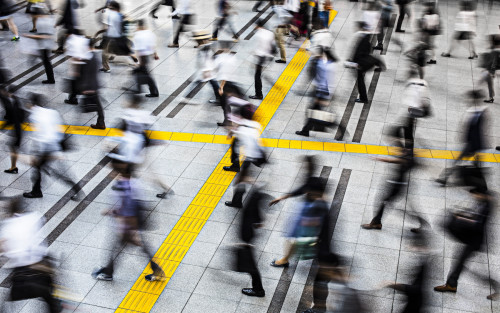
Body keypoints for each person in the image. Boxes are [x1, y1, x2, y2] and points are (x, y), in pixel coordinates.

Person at [434, 189, 499, 300]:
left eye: (476, 194)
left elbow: (477, 225)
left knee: (476, 270)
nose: (474, 197)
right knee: (460, 263)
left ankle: (498, 288)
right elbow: (474, 217)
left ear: (482, 195)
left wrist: (461, 219)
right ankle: (451, 284)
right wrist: (463, 215)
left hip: (475, 242)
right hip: (471, 240)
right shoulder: (483, 203)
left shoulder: (486, 207)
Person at [0, 197, 62, 313]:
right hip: (43, 268)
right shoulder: (34, 217)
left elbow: (3, 248)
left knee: (9, 302)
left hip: (23, 274)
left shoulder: (7, 227)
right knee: (49, 298)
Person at [22, 93, 83, 199]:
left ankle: (76, 189)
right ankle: (37, 190)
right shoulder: (52, 112)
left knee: (55, 171)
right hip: (55, 145)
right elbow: (60, 129)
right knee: (43, 169)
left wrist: (39, 153)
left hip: (47, 148)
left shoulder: (34, 116)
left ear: (31, 103)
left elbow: (40, 135)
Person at [270, 177, 328, 267]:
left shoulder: (319, 205)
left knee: (294, 242)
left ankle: (285, 260)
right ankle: (285, 259)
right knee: (293, 241)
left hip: (305, 227)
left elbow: (320, 222)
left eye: (309, 191)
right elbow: (299, 191)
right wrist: (281, 198)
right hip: (303, 223)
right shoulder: (314, 197)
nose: (306, 192)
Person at [436, 90, 488, 186]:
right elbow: (482, 128)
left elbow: (467, 128)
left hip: (471, 144)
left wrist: (463, 138)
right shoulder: (482, 111)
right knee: (477, 164)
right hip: (478, 143)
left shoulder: (472, 112)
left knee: (458, 160)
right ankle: (481, 185)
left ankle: (444, 178)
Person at [224, 104, 266, 208]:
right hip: (260, 154)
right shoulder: (256, 124)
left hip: (250, 156)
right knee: (241, 179)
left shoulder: (242, 129)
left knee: (240, 180)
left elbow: (230, 136)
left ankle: (256, 185)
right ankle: (237, 200)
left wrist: (231, 129)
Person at [296, 46, 338, 137]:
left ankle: (339, 128)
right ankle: (308, 130)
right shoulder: (330, 64)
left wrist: (323, 97)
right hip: (324, 91)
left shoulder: (326, 66)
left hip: (323, 92)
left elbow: (325, 81)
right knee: (314, 111)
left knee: (312, 111)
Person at [235, 185, 266, 297]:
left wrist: (245, 242)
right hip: (248, 238)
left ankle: (258, 290)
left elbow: (255, 220)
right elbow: (258, 220)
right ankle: (258, 289)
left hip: (247, 238)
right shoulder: (255, 203)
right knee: (251, 266)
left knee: (252, 267)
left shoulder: (252, 204)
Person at [349, 21, 385, 104]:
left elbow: (360, 53)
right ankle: (363, 97)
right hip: (362, 62)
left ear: (361, 28)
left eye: (357, 28)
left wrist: (355, 62)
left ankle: (363, 98)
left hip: (361, 63)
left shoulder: (363, 38)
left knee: (360, 80)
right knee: (360, 79)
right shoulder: (365, 37)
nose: (356, 29)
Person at [100, 1, 137, 73]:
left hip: (116, 39)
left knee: (105, 52)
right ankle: (136, 62)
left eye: (111, 7)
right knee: (125, 51)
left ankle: (106, 68)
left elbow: (108, 28)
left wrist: (100, 33)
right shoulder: (121, 15)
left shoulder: (113, 16)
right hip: (122, 38)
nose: (109, 8)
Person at [22, 4, 55, 84]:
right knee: (46, 62)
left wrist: (30, 36)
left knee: (46, 62)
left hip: (44, 45)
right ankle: (51, 79)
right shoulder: (48, 19)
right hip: (45, 45)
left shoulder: (41, 22)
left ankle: (51, 80)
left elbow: (45, 36)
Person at [214, 44, 244, 126]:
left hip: (227, 84)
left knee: (225, 103)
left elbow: (224, 76)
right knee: (233, 101)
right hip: (232, 82)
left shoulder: (224, 60)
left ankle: (229, 121)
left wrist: (221, 87)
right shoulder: (232, 58)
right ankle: (229, 120)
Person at [0, 84, 25, 174]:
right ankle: (13, 166)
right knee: (13, 147)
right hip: (18, 128)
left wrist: (2, 127)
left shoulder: (12, 104)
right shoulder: (16, 100)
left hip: (17, 129)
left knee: (13, 147)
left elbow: (12, 118)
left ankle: (13, 167)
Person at [132, 19, 160, 98]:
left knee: (144, 74)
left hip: (143, 57)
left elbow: (139, 49)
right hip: (149, 56)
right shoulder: (150, 33)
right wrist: (155, 54)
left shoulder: (138, 35)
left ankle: (152, 91)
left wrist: (139, 61)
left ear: (138, 26)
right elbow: (153, 45)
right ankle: (140, 88)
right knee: (143, 72)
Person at [250, 18, 276, 100]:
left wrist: (253, 53)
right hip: (268, 56)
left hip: (261, 57)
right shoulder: (270, 33)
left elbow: (259, 48)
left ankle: (258, 94)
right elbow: (273, 46)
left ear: (257, 26)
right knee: (259, 74)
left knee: (257, 76)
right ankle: (259, 92)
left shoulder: (258, 34)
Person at [479, 34, 499, 103]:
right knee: (489, 82)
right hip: (493, 69)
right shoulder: (495, 50)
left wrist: (492, 72)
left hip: (492, 70)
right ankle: (491, 96)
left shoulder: (494, 52)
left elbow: (493, 62)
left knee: (489, 82)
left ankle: (490, 97)